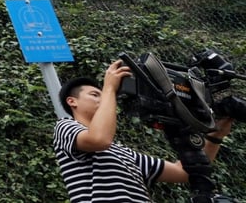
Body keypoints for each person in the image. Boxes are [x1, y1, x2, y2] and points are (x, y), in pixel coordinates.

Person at [54, 60, 234, 202]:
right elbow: (99, 139)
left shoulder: (124, 153)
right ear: (72, 102)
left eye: (103, 94)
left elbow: (184, 173)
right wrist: (109, 88)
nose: (103, 98)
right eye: (94, 95)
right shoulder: (65, 127)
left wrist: (215, 136)